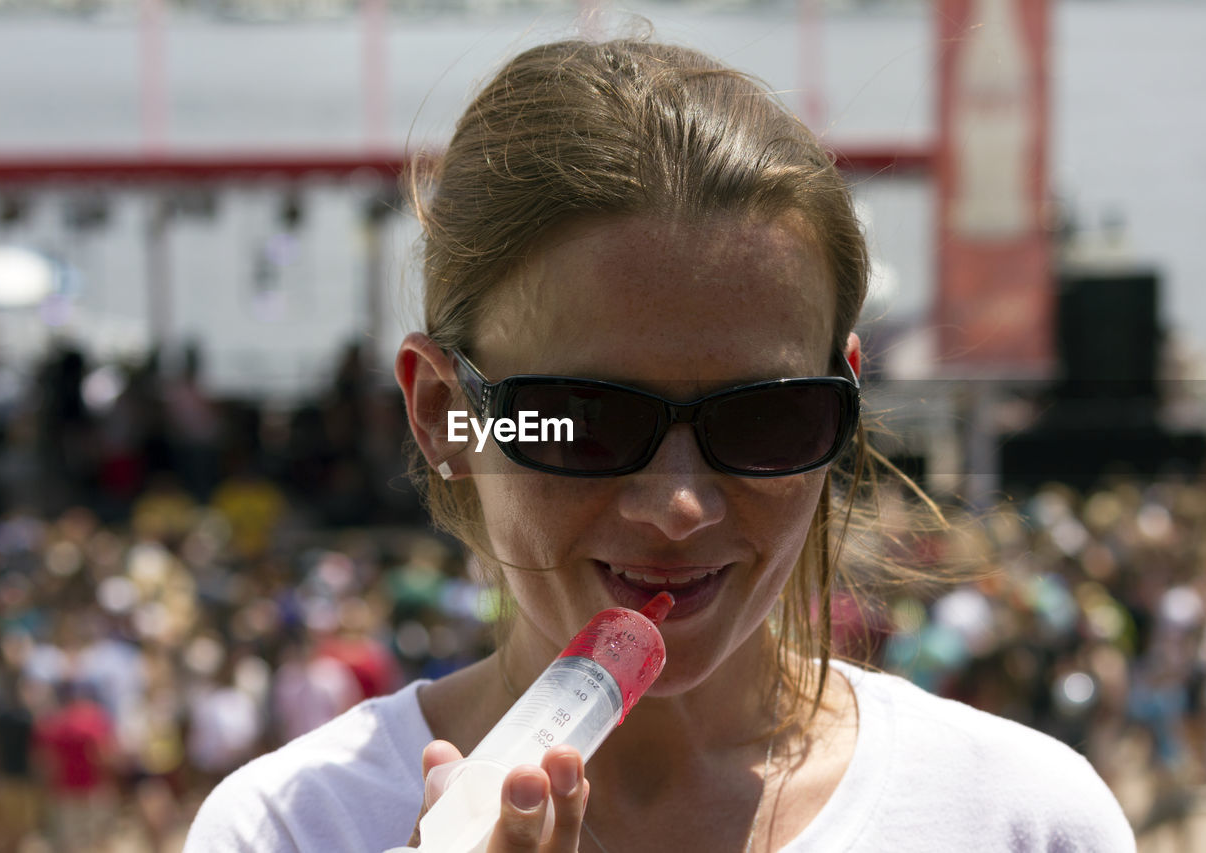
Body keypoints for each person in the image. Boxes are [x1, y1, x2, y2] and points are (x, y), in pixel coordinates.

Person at [186, 37, 1136, 851]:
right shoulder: (295, 826)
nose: (680, 504)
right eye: (588, 420)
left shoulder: (1019, 819)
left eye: (766, 417)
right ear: (444, 411)